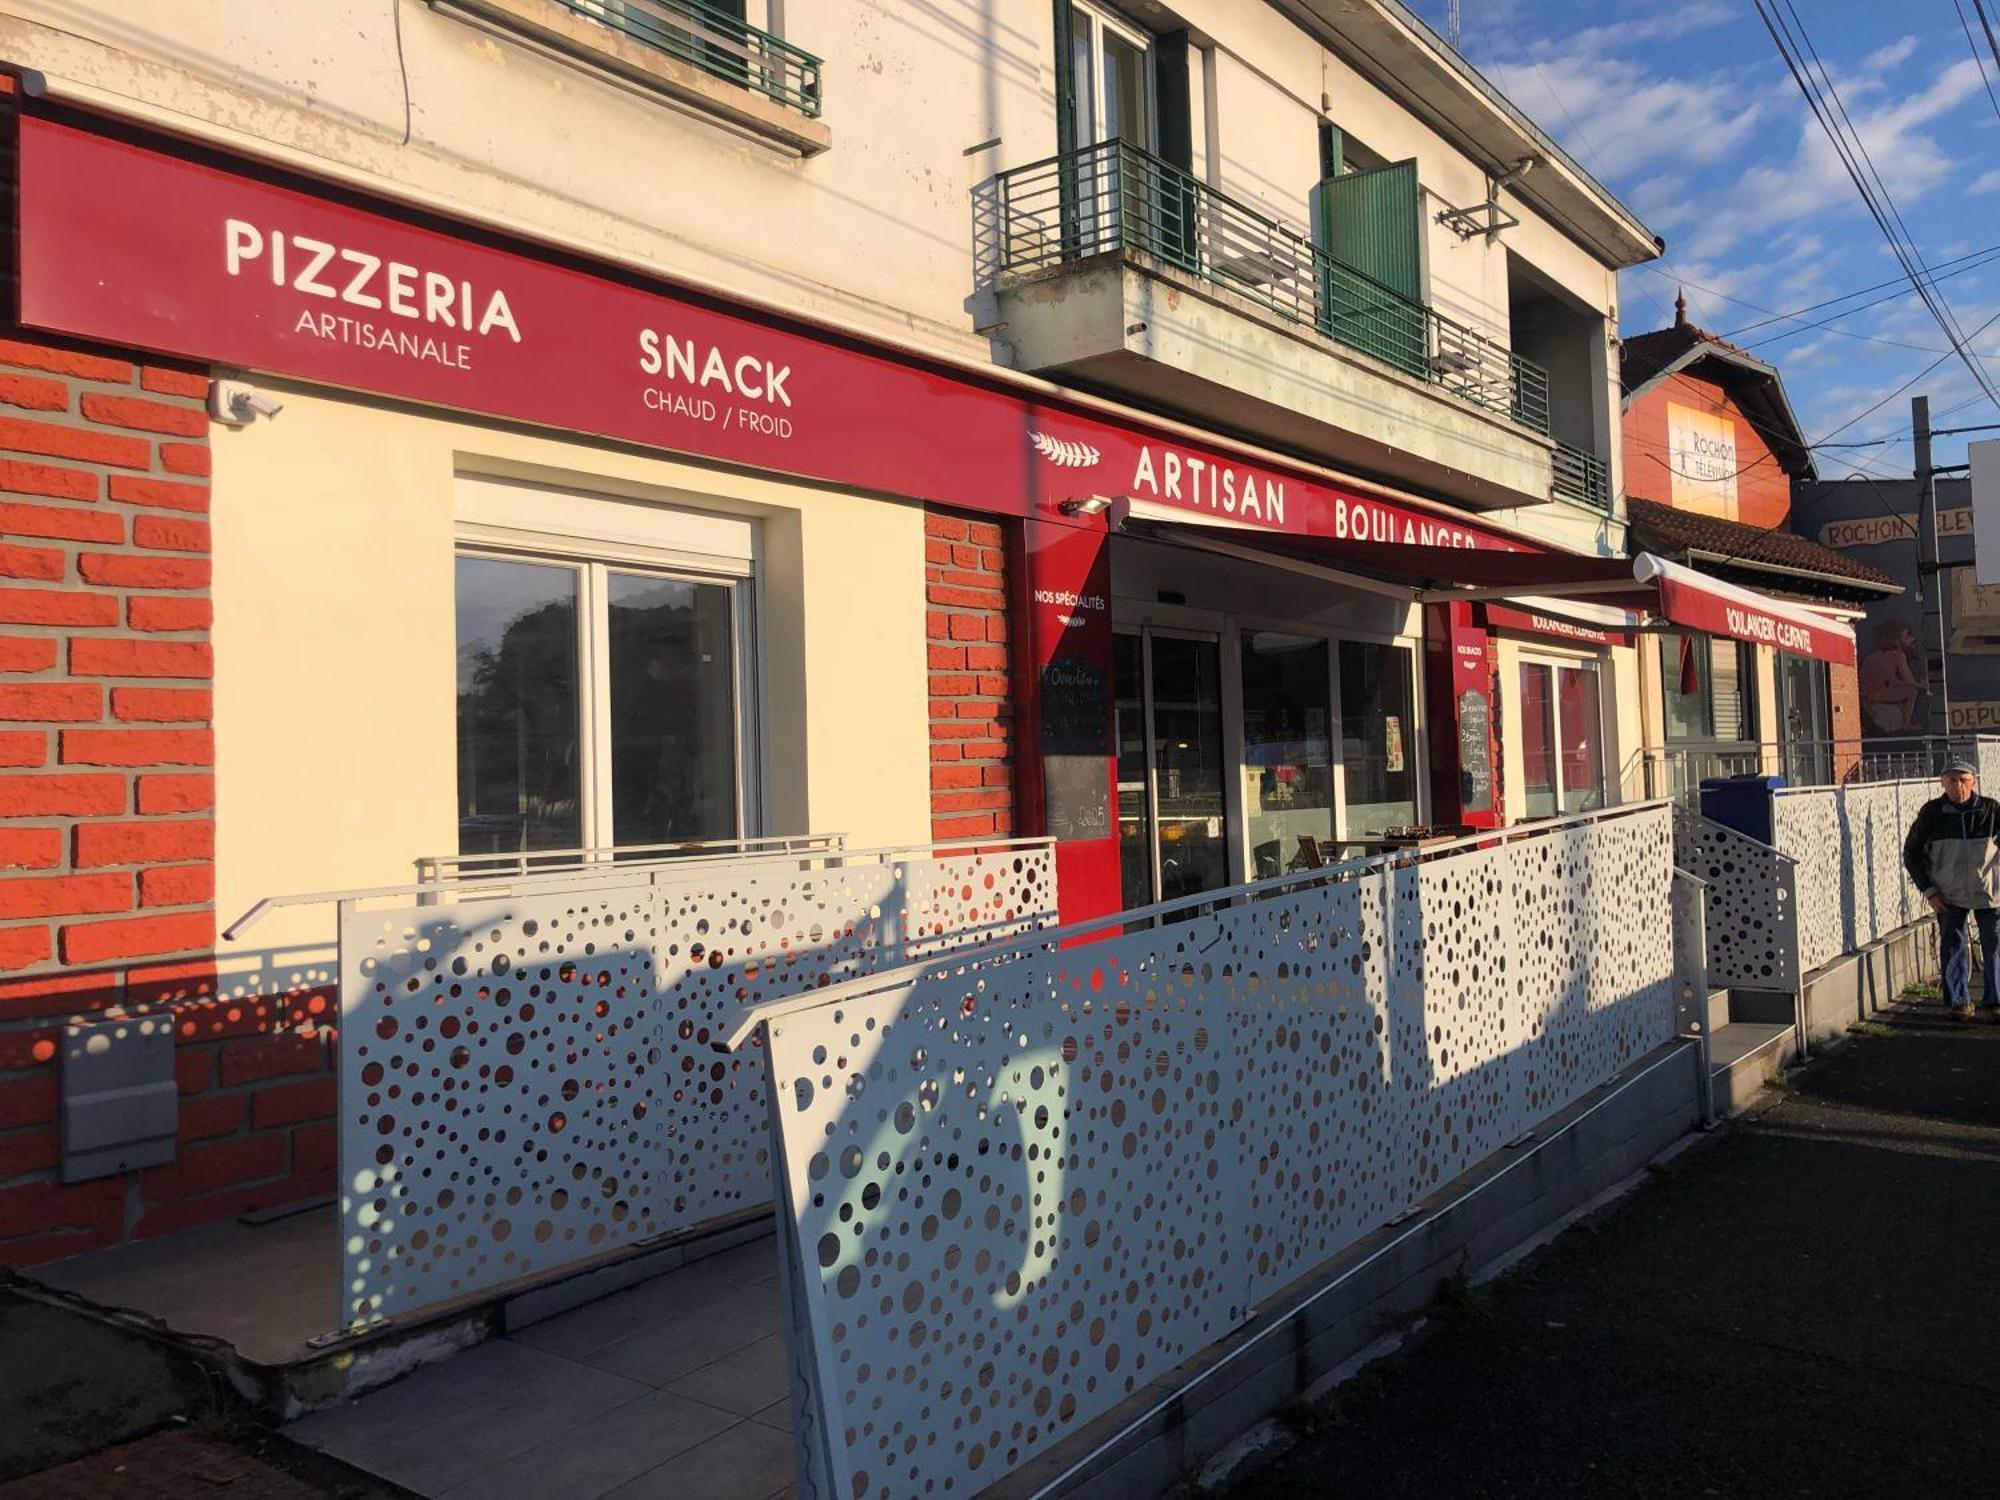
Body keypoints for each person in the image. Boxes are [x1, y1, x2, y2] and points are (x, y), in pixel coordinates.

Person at [1902, 756, 2000, 1019]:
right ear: (1942, 784)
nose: (1958, 786)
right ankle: (1959, 1003)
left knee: (1994, 945)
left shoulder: (1991, 810)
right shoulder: (1932, 813)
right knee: (1952, 945)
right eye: (1952, 781)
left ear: (1974, 782)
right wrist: (1929, 890)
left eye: (1964, 780)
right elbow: (1911, 853)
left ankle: (1994, 1002)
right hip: (1948, 892)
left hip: (1988, 891)